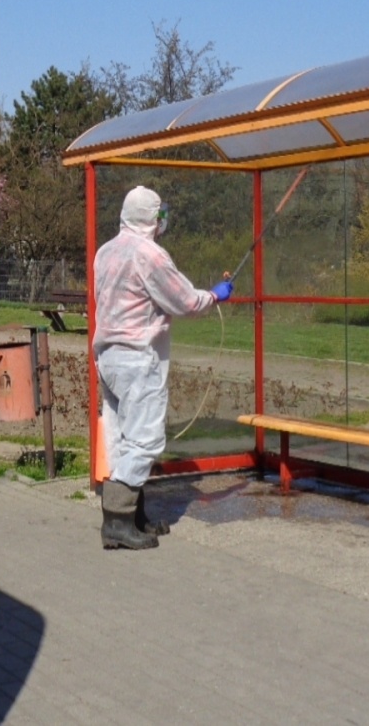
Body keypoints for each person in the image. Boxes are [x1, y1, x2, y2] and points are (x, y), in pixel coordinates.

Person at [93, 186, 232, 550]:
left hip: (108, 357)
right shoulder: (150, 254)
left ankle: (133, 516)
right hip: (138, 358)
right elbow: (183, 300)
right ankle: (116, 523)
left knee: (122, 437)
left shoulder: (105, 252)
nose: (162, 221)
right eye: (160, 215)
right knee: (145, 440)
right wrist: (214, 295)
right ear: (150, 217)